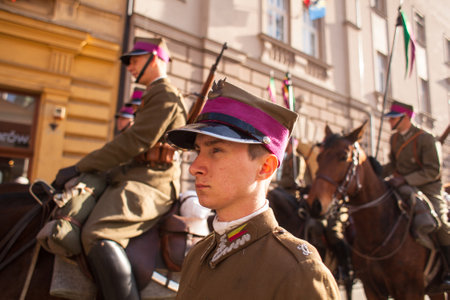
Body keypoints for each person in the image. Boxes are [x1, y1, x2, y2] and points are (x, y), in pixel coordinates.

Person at [165, 79, 340, 299]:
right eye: (198, 150)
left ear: (265, 167)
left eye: (216, 150)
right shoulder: (198, 254)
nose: (194, 168)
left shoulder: (299, 270)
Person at [53, 37, 187, 300]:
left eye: (135, 60)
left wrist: (80, 165)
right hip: (133, 178)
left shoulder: (166, 95)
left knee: (97, 234)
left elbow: (134, 142)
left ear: (156, 58)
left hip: (151, 184)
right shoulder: (153, 95)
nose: (130, 66)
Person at [382, 100, 450, 288]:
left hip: (428, 188)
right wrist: (376, 170)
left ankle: (448, 268)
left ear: (405, 118)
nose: (389, 123)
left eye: (393, 119)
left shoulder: (426, 138)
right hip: (402, 186)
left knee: (441, 222)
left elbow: (433, 171)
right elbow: (393, 165)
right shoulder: (395, 139)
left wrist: (405, 179)